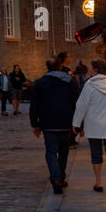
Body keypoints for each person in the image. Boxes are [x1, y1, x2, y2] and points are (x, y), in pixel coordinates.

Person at [73, 59, 106, 198]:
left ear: (95, 70)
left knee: (96, 154)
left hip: (94, 124)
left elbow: (81, 106)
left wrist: (76, 124)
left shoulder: (89, 85)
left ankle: (99, 182)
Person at [29, 58, 77, 194]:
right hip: (66, 122)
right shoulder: (70, 82)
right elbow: (76, 102)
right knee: (63, 151)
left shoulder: (39, 83)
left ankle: (56, 176)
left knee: (50, 151)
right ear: (60, 67)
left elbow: (34, 106)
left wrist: (35, 124)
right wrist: (78, 123)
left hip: (48, 122)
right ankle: (60, 177)